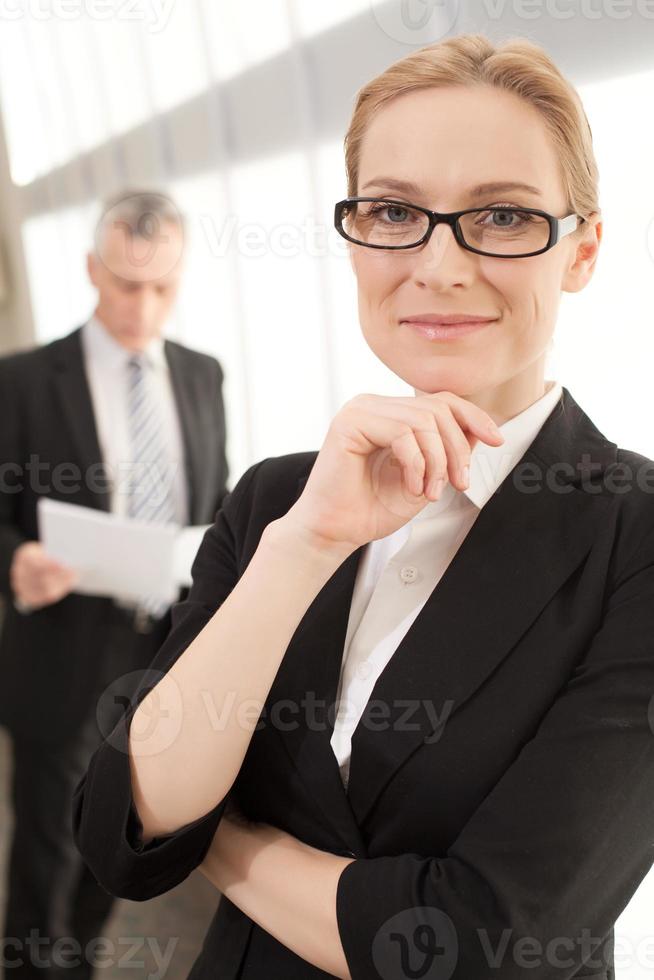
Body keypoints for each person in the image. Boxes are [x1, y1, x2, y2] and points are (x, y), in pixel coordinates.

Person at [73, 34, 654, 980]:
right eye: (393, 211)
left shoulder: (633, 534)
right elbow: (122, 827)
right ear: (353, 237)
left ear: (582, 250)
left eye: (502, 216)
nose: (438, 264)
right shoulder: (274, 498)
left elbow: (480, 944)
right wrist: (305, 544)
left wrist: (218, 837)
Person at [0, 190, 229, 978]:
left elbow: (215, 500)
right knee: (43, 849)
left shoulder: (203, 375)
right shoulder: (24, 380)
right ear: (91, 270)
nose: (143, 305)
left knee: (116, 834)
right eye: (127, 284)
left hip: (161, 650)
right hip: (60, 647)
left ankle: (82, 963)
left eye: (162, 286)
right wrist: (15, 561)